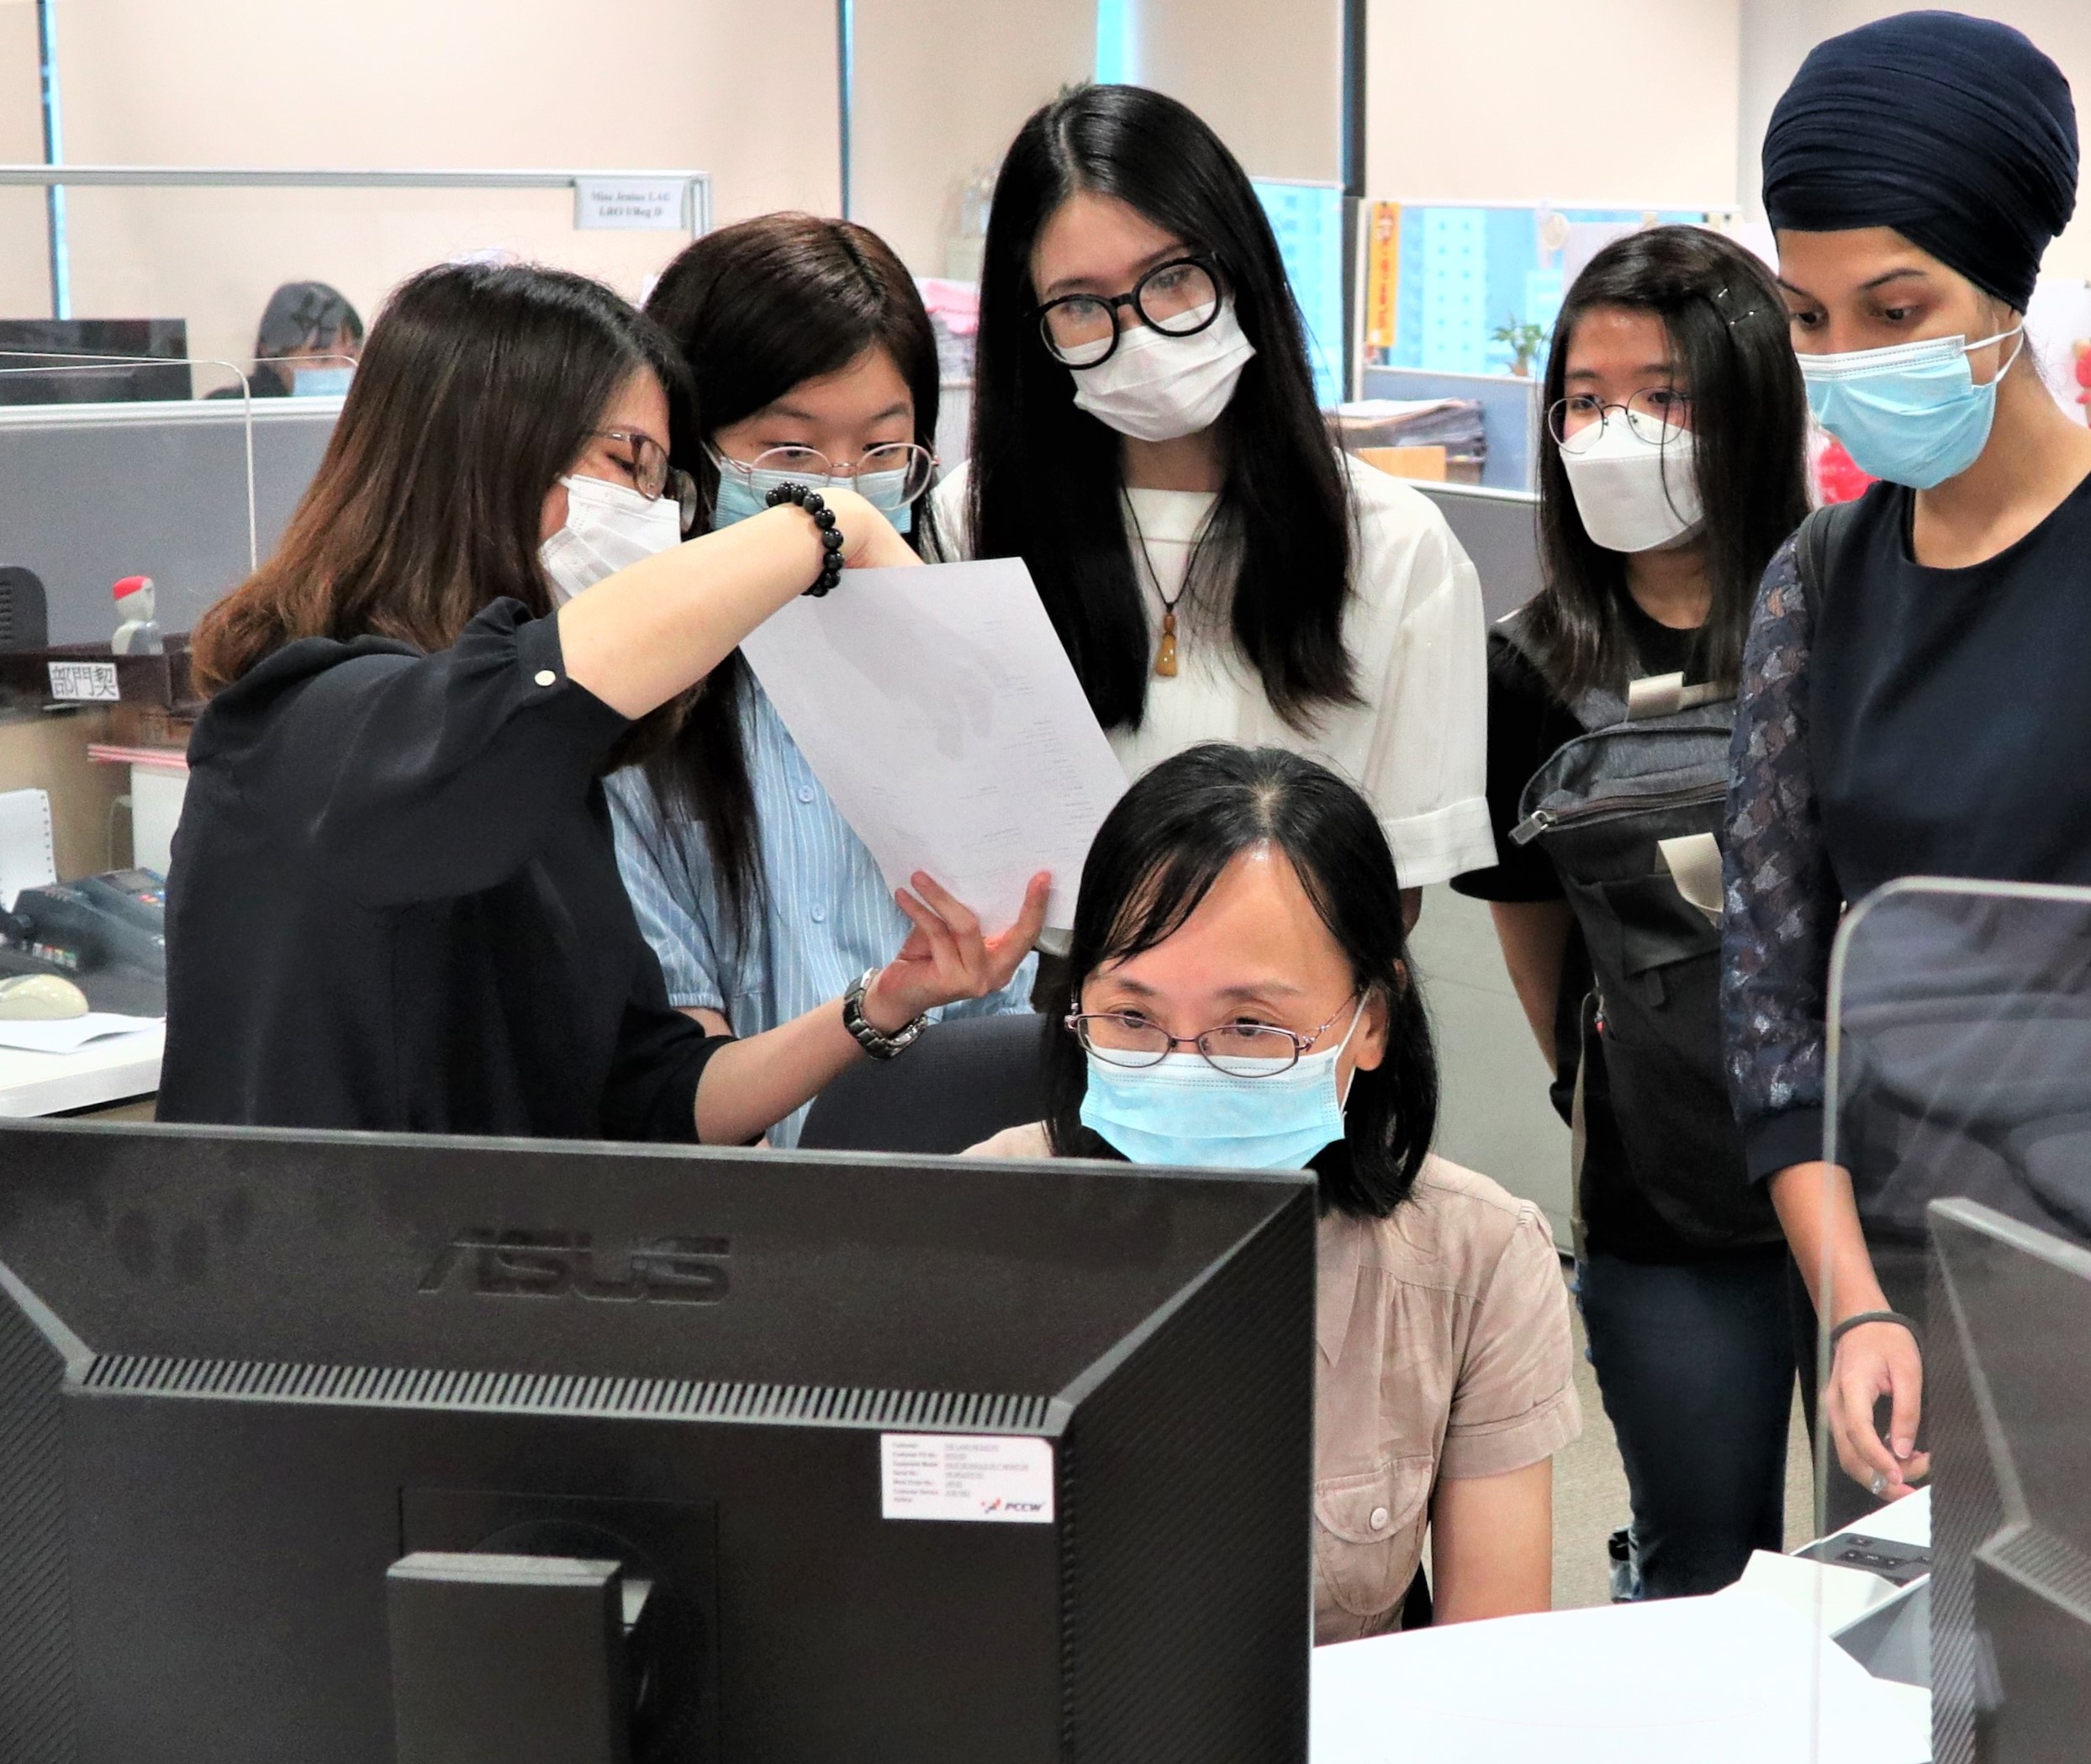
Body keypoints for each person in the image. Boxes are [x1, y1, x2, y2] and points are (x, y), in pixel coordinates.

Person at [1721, 12, 2091, 1520]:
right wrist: (1852, 1302)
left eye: (1895, 306)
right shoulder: (1820, 580)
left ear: (2006, 287)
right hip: (1894, 1293)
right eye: (1810, 317)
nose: (1847, 360)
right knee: (1904, 1729)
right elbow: (1769, 984)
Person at [161, 261, 1045, 1142]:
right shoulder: (317, 720)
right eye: (628, 462)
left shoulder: (543, 774)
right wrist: (830, 524)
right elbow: (530, 689)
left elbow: (652, 1093)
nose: (649, 514)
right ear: (489, 447)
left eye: (663, 483)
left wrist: (883, 1002)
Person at [966, 744, 1578, 1642]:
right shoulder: (968, 1224)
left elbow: (1486, 1665)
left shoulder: (1477, 1258)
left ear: (1369, 1021)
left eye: (1249, 1026)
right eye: (1132, 1016)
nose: (1182, 1069)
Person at [1452, 225, 1813, 1600]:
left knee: (1897, 1570)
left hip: (1884, 1178)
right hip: (1665, 1199)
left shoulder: (1846, 614)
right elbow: (1532, 929)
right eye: (1586, 400)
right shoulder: (1530, 667)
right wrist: (1600, 1073)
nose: (1616, 432)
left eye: (1661, 397)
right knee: (1699, 1570)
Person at [934, 84, 1490, 915]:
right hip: (1048, 1008)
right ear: (1033, 326)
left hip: (1289, 1021)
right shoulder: (970, 520)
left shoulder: (1394, 544)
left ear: (1240, 266)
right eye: (1080, 304)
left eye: (1170, 277)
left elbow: (1391, 894)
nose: (1141, 331)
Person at [607, 213, 1032, 1148]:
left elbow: (1009, 1021)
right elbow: (675, 1071)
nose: (844, 492)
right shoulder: (633, 706)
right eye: (790, 454)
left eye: (883, 453)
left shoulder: (966, 675)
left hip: (958, 1203)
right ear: (689, 453)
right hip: (719, 1210)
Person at [205, 280, 364, 399]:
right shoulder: (226, 415)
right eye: (320, 358)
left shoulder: (370, 415)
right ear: (271, 354)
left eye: (349, 357)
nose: (339, 368)